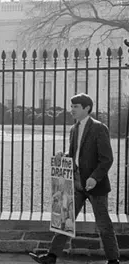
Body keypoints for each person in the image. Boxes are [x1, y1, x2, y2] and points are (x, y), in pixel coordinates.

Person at [28, 93, 119, 264]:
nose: (72, 110)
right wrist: (63, 156)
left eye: (75, 107)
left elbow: (107, 159)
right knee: (64, 221)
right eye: (71, 106)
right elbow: (75, 155)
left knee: (104, 224)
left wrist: (94, 178)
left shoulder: (99, 128)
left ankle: (113, 261)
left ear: (87, 108)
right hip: (75, 183)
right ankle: (51, 257)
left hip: (95, 185)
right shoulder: (74, 128)